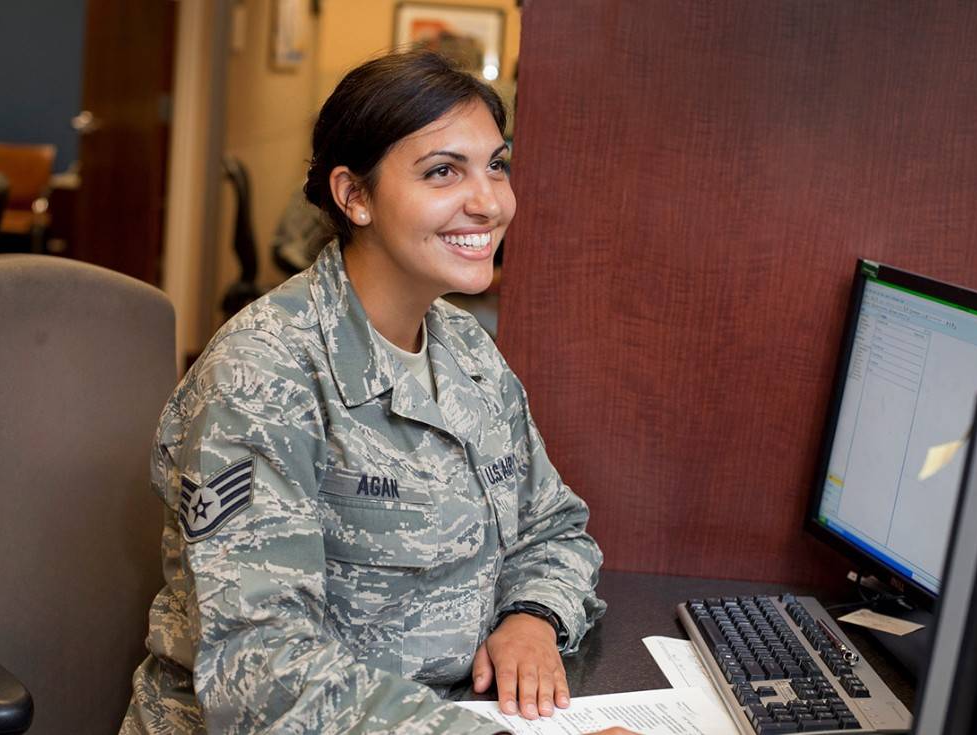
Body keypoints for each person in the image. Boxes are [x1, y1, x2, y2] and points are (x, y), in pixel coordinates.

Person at [120, 51, 620, 734]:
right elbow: (264, 671)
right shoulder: (266, 375)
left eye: (496, 164)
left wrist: (532, 618)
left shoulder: (464, 347)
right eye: (443, 170)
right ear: (354, 195)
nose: (489, 200)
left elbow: (553, 528)